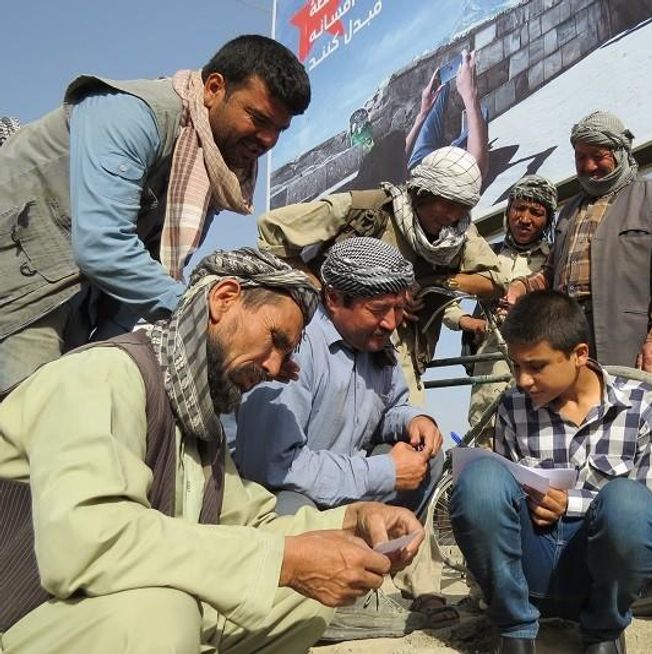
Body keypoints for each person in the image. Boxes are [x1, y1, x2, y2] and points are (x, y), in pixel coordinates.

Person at [0, 248, 423, 653]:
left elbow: (251, 521)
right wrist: (287, 562)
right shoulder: (102, 374)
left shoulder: (196, 419)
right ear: (224, 299)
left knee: (301, 601)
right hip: (24, 615)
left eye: (287, 353)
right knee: (158, 615)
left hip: (103, 609)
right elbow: (85, 543)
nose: (276, 368)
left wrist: (352, 522)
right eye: (275, 339)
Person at [0, 34, 311, 398]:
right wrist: (207, 317)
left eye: (280, 129)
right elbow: (103, 246)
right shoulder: (131, 114)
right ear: (214, 88)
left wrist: (233, 348)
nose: (270, 140)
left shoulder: (206, 170)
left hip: (72, 308)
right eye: (258, 118)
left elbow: (139, 290)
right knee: (36, 418)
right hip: (20, 289)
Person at [503, 110, 652, 580]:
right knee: (581, 457)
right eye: (580, 157)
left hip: (639, 348)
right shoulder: (568, 211)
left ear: (621, 152)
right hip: (576, 348)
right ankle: (586, 572)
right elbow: (549, 275)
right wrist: (522, 289)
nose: (588, 166)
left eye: (598, 155)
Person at [230, 238, 455, 635]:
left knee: (429, 458)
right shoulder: (294, 346)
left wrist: (415, 420)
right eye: (378, 310)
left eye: (398, 310)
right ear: (334, 299)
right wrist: (384, 472)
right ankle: (331, 608)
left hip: (348, 487)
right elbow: (273, 466)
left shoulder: (377, 345)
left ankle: (374, 579)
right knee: (287, 507)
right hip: (291, 494)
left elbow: (392, 406)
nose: (390, 323)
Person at [451, 290, 652, 654]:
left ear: (579, 355)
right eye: (516, 366)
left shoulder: (641, 405)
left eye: (536, 367)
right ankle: (516, 630)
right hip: (528, 572)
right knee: (480, 480)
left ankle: (603, 633)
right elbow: (501, 501)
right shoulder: (512, 407)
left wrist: (572, 504)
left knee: (630, 503)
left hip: (597, 580)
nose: (523, 380)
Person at [258, 145, 504, 405]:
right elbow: (272, 230)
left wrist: (428, 284)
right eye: (448, 203)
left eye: (463, 207)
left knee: (411, 432)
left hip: (398, 361)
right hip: (333, 349)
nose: (454, 215)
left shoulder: (458, 234)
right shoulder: (364, 209)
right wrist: (320, 296)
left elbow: (497, 282)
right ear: (424, 191)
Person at [443, 175, 557, 430]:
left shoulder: (555, 260)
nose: (525, 219)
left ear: (548, 219)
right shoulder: (484, 255)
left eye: (536, 212)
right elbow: (443, 295)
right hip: (491, 363)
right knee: (487, 434)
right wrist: (466, 322)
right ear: (508, 212)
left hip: (541, 365)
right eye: (519, 209)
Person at [405, 49, 489, 177]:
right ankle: (458, 148)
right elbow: (477, 172)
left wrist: (422, 114)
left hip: (415, 163)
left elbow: (399, 158)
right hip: (432, 176)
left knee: (442, 87)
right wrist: (470, 95)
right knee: (482, 113)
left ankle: (457, 147)